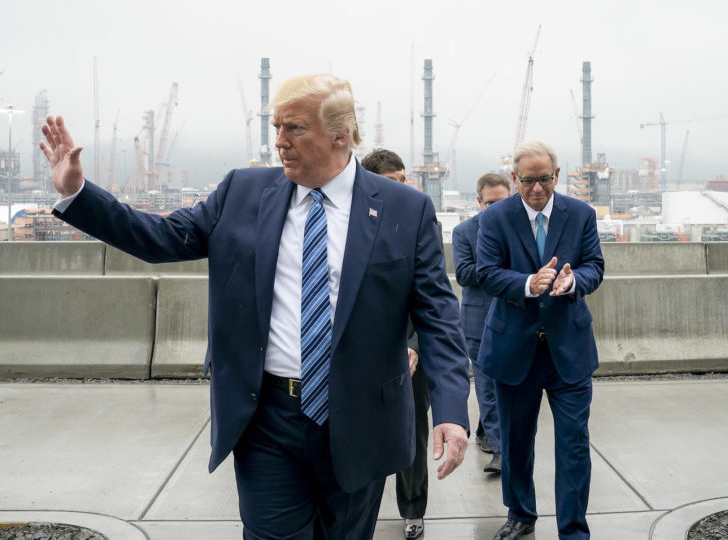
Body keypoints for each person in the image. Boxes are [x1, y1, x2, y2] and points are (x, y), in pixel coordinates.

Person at [40, 73, 471, 540]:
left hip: (361, 419)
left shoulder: (404, 208)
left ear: (340, 135)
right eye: (276, 128)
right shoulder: (242, 192)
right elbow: (160, 237)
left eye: (295, 129)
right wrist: (78, 194)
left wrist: (450, 408)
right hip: (267, 418)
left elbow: (437, 316)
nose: (280, 143)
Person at [476, 140, 604, 540]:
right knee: (515, 443)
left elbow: (594, 265)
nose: (536, 189)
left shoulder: (581, 214)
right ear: (514, 178)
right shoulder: (495, 218)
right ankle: (520, 515)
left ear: (557, 176)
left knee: (574, 446)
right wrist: (528, 284)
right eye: (528, 181)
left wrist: (573, 283)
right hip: (515, 350)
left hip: (568, 350)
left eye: (544, 179)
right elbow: (484, 272)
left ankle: (573, 529)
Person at [360, 148, 426, 540]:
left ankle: (413, 510)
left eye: (404, 181)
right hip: (360, 356)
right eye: (391, 183)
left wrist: (415, 344)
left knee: (413, 439)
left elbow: (430, 298)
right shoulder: (347, 226)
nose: (401, 190)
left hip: (411, 356)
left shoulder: (417, 222)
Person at [452, 172, 511, 476]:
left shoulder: (521, 230)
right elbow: (463, 274)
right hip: (478, 322)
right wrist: (497, 268)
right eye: (490, 203)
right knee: (487, 389)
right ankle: (502, 452)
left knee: (507, 387)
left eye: (502, 202)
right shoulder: (464, 232)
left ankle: (486, 431)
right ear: (478, 202)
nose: (496, 209)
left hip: (514, 320)